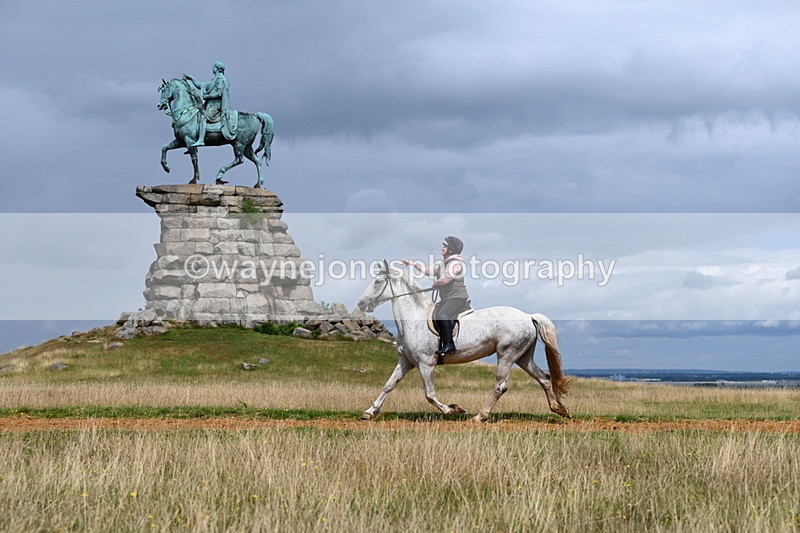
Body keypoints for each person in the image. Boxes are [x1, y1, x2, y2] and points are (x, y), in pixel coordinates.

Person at [403, 236, 471, 359]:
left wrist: (435, 284)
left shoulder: (456, 264)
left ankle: (450, 345)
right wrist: (413, 264)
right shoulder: (442, 263)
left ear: (451, 249)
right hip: (447, 298)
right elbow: (429, 271)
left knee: (443, 315)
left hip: (457, 297)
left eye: (445, 246)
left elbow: (446, 279)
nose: (442, 247)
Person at [183, 61, 232, 146]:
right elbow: (201, 85)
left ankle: (201, 140)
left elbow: (219, 93)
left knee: (203, 118)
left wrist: (208, 96)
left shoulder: (221, 79)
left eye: (214, 67)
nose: (212, 68)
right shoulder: (214, 80)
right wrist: (191, 78)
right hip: (210, 104)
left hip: (216, 106)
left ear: (217, 68)